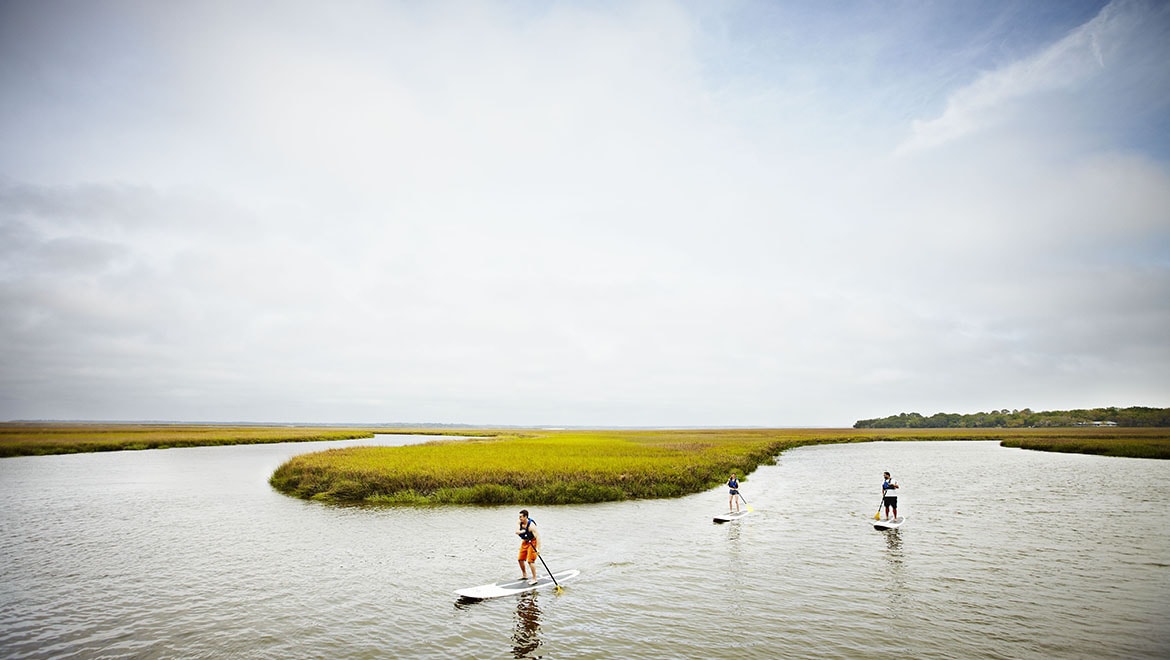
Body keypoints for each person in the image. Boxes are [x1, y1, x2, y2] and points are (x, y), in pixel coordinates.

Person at [516, 509, 541, 585]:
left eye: (521, 517)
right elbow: (517, 531)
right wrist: (523, 531)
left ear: (525, 517)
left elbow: (538, 537)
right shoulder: (519, 522)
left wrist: (538, 549)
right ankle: (524, 575)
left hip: (533, 542)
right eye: (519, 517)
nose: (519, 518)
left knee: (530, 561)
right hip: (525, 541)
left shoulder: (531, 526)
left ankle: (534, 579)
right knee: (520, 559)